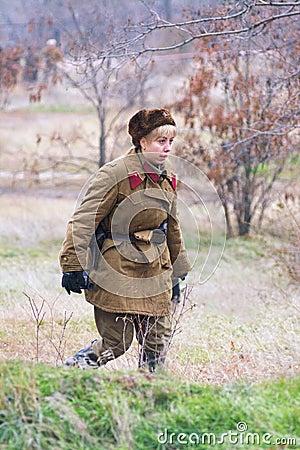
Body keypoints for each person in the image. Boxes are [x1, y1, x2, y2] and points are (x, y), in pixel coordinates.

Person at [59, 108, 191, 372]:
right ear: (142, 142)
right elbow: (84, 219)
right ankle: (71, 372)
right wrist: (73, 265)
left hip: (155, 269)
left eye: (170, 142)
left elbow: (171, 225)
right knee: (115, 343)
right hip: (116, 268)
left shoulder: (168, 178)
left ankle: (148, 395)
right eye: (160, 141)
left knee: (157, 342)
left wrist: (176, 272)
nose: (167, 149)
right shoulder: (114, 174)